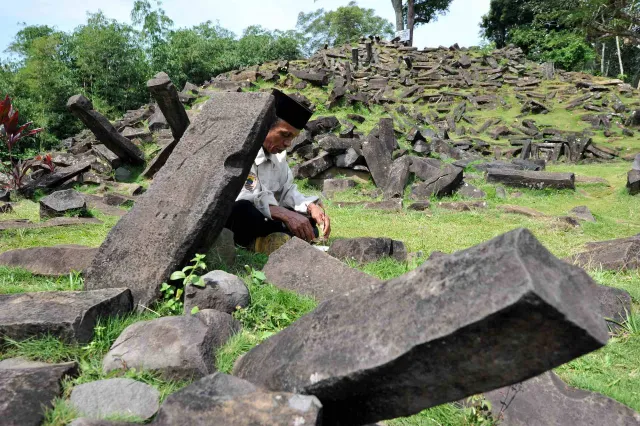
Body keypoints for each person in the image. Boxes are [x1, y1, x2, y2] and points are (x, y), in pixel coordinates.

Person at [226, 89, 331, 254]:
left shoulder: (279, 157)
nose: (288, 143)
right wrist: (284, 214)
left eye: (292, 138)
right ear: (266, 127)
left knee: (309, 224)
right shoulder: (241, 151)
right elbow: (243, 196)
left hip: (267, 219)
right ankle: (258, 242)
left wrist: (311, 206)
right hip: (244, 216)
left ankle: (266, 242)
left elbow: (286, 191)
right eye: (284, 135)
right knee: (244, 211)